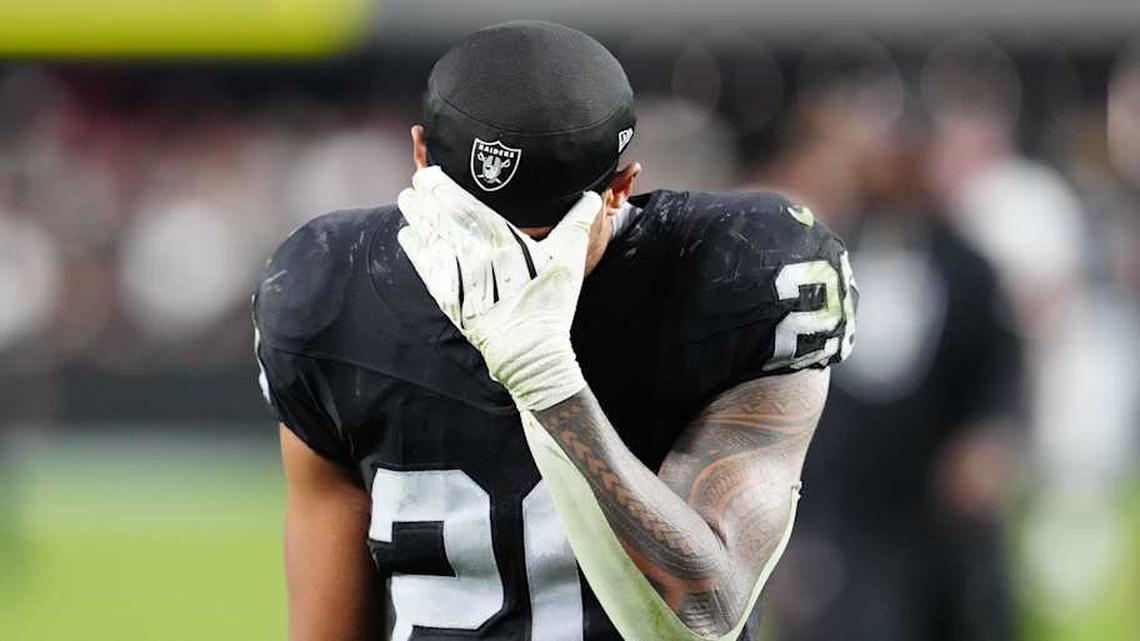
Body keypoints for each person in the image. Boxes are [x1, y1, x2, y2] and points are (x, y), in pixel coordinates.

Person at [253, 21, 856, 641]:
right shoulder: (328, 287)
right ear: (420, 159)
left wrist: (548, 382)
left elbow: (701, 618)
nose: (506, 263)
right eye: (473, 222)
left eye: (539, 235)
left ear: (620, 191)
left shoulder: (739, 271)